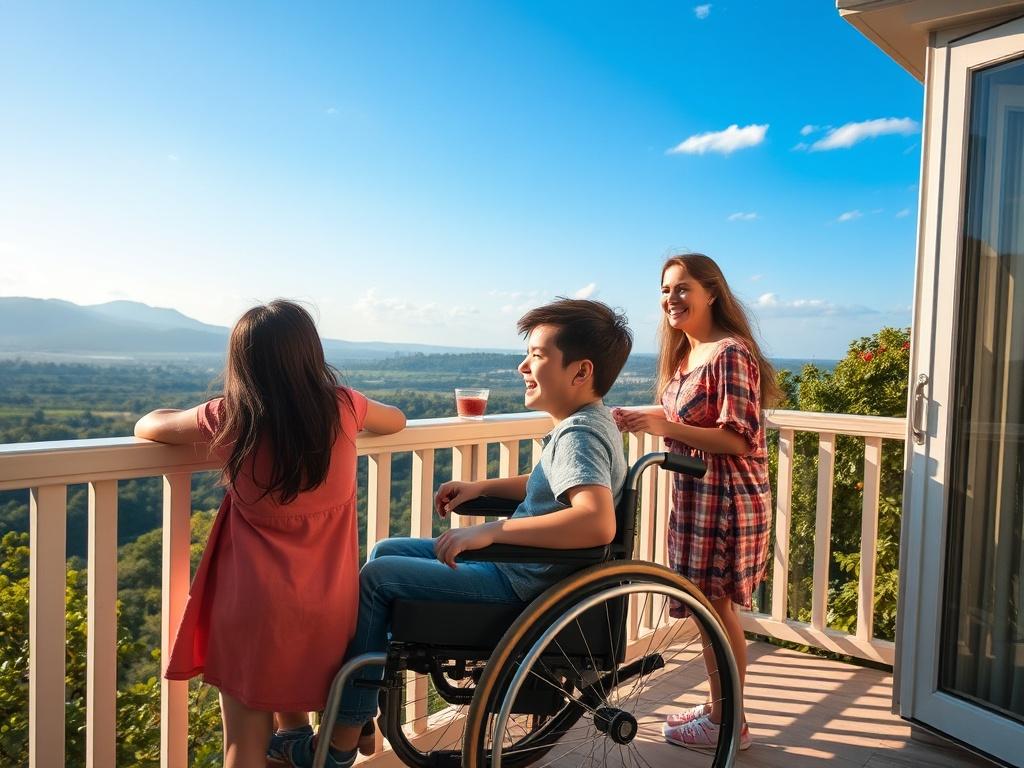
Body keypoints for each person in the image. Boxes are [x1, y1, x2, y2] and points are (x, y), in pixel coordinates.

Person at [270, 298, 633, 768]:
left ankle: (342, 737)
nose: (523, 366)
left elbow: (595, 520)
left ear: (580, 372)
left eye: (537, 355)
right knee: (385, 550)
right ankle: (359, 708)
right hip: (524, 573)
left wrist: (491, 531)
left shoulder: (580, 434)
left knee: (378, 578)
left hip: (521, 586)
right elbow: (551, 484)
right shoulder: (588, 423)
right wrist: (482, 488)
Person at [134, 300, 406, 768]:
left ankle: (301, 735)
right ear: (311, 354)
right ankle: (328, 732)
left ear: (242, 364)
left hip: (253, 608)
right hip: (328, 608)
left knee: (243, 746)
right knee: (309, 716)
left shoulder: (230, 416)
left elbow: (148, 426)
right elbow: (397, 419)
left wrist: (192, 412)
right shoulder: (343, 407)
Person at [613, 253, 779, 752]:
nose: (671, 298)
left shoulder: (730, 353)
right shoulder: (690, 354)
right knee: (709, 608)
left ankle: (730, 724)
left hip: (725, 501)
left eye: (683, 288)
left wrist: (663, 425)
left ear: (712, 293)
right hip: (696, 500)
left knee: (716, 610)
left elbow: (739, 438)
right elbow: (688, 417)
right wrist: (644, 417)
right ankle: (719, 709)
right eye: (665, 290)